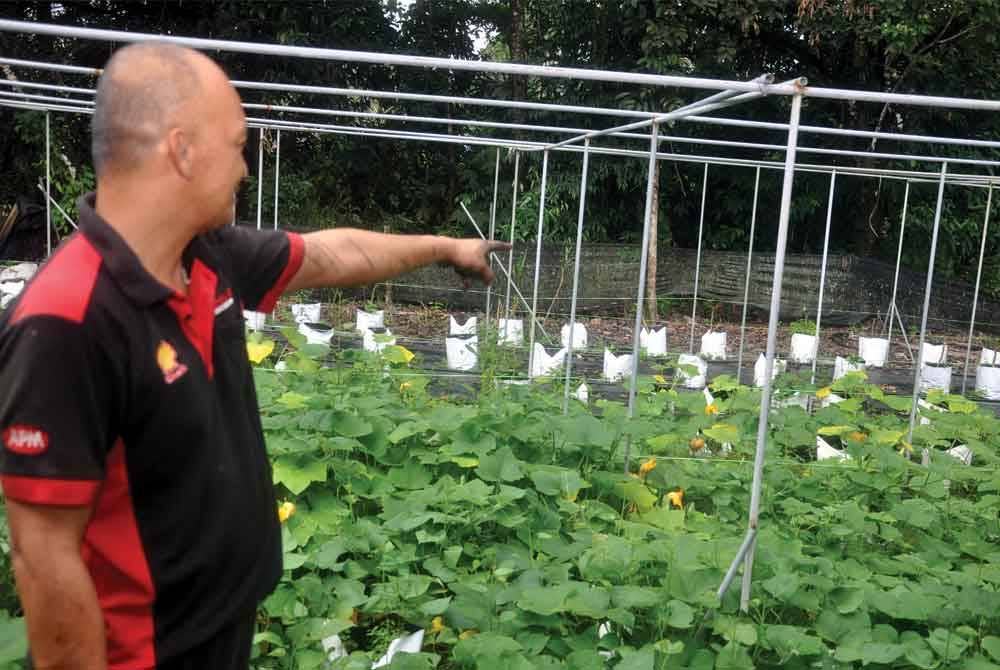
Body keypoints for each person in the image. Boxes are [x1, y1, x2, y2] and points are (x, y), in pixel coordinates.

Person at [0, 42, 507, 669]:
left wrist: (445, 247)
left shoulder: (207, 256)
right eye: (238, 145)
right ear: (181, 150)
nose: (245, 169)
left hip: (223, 631)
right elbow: (44, 558)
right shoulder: (67, 319)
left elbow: (332, 255)